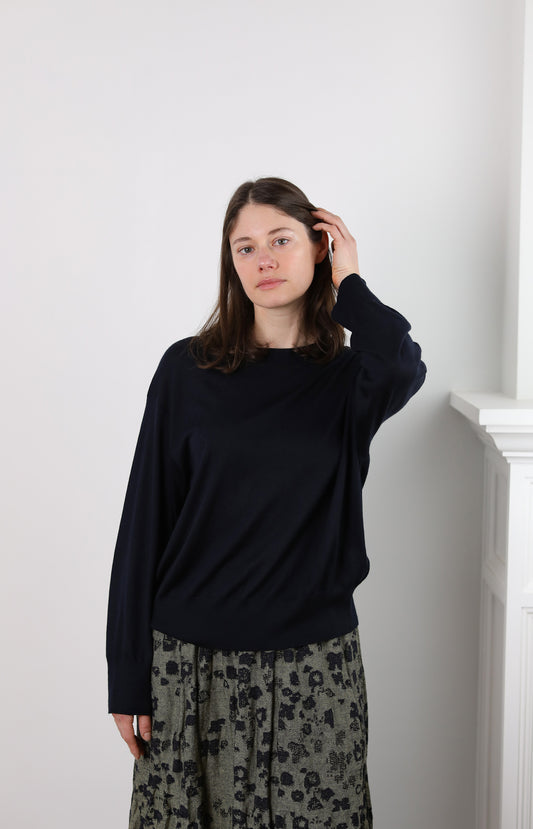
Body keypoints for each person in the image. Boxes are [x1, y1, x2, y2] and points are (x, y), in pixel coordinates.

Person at [106, 176, 426, 828]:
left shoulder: (350, 381)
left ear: (319, 247)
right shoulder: (186, 370)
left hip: (315, 666)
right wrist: (128, 674)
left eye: (281, 240)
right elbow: (144, 522)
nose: (264, 261)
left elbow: (401, 360)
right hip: (188, 664)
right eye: (245, 248)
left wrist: (351, 284)